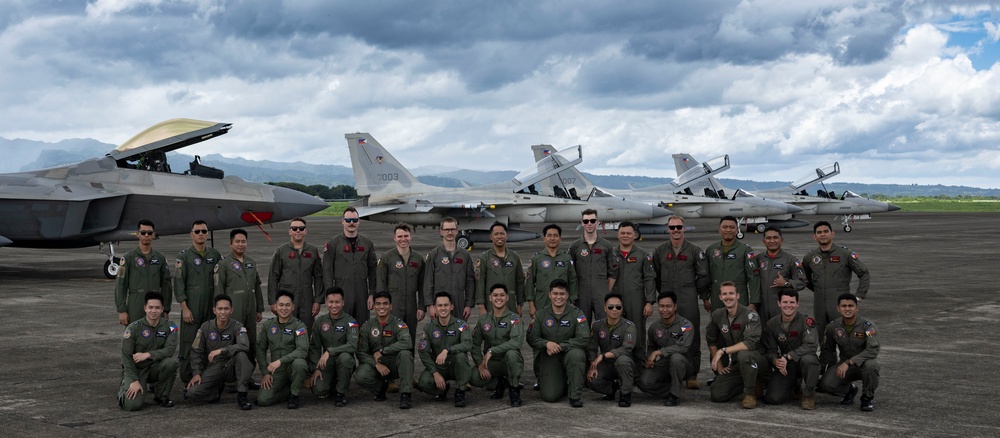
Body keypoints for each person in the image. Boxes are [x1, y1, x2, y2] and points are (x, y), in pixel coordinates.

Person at [651, 215, 709, 389]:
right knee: (668, 333)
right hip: (667, 296)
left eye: (679, 227)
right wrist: (663, 293)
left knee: (691, 333)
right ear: (668, 229)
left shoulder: (694, 250)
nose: (676, 230)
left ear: (684, 228)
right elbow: (655, 274)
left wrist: (696, 292)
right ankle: (670, 370)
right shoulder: (660, 250)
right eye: (672, 227)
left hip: (687, 297)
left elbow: (703, 275)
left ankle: (692, 374)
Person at [174, 220, 223, 384]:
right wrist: (184, 308)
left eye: (203, 231)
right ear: (191, 234)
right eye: (197, 231)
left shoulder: (214, 255)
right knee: (190, 340)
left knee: (211, 338)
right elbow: (179, 284)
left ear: (207, 234)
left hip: (211, 302)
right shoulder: (184, 257)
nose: (201, 234)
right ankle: (187, 374)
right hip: (192, 303)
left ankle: (208, 375)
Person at [802, 221, 871, 339]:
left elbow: (864, 273)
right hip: (819, 305)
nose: (823, 234)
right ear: (814, 236)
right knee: (822, 338)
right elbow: (804, 278)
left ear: (832, 233)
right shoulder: (810, 257)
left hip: (840, 303)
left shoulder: (845, 254)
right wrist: (818, 289)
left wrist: (858, 296)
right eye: (819, 232)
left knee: (843, 337)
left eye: (825, 231)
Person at [526, 279, 589, 407]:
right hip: (550, 356)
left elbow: (584, 338)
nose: (558, 297)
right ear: (549, 294)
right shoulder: (541, 315)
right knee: (550, 396)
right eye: (555, 294)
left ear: (567, 295)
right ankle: (562, 384)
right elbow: (532, 338)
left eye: (561, 294)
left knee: (577, 355)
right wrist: (546, 344)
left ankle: (575, 395)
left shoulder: (577, 314)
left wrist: (561, 346)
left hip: (569, 353)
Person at [185, 294, 254, 410]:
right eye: (220, 309)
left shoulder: (237, 326)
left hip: (232, 366)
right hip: (215, 366)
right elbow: (196, 351)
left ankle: (242, 394)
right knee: (192, 393)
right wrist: (196, 373)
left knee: (241, 355)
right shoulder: (205, 327)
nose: (223, 312)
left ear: (231, 310)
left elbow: (244, 345)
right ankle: (215, 391)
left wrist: (221, 351)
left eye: (226, 309)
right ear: (214, 310)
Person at [705, 281, 765, 409]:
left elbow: (751, 342)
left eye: (731, 293)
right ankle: (751, 382)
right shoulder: (718, 315)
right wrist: (720, 365)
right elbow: (711, 339)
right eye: (724, 294)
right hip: (738, 363)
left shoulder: (750, 315)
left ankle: (750, 393)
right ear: (720, 297)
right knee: (717, 394)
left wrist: (723, 351)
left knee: (744, 355)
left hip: (757, 360)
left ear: (738, 295)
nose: (728, 297)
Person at [818, 293, 880, 412]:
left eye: (851, 306)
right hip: (844, 366)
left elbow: (873, 350)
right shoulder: (833, 327)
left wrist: (849, 362)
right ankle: (849, 390)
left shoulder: (867, 326)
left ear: (857, 308)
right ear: (838, 308)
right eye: (844, 306)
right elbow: (827, 351)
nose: (847, 309)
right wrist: (818, 369)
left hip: (863, 364)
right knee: (825, 384)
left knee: (872, 366)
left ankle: (867, 397)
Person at [118, 292, 178, 411]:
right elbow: (126, 356)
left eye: (157, 308)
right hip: (137, 370)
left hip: (155, 367)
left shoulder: (171, 326)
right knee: (133, 405)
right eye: (150, 307)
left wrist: (148, 355)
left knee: (171, 363)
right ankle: (123, 388)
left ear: (162, 309)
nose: (153, 311)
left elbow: (170, 350)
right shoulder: (134, 328)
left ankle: (161, 396)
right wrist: (134, 380)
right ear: (145, 308)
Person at [761, 290, 820, 409]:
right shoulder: (772, 324)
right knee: (773, 398)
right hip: (786, 365)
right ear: (779, 303)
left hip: (802, 361)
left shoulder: (807, 321)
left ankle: (808, 394)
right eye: (785, 302)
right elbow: (770, 350)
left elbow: (811, 346)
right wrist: (776, 361)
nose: (788, 305)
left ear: (797, 303)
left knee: (809, 359)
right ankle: (793, 385)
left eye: (792, 302)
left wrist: (788, 356)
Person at [355, 291, 414, 409]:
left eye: (385, 304)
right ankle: (380, 388)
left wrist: (383, 351)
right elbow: (361, 352)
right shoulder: (367, 326)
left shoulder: (398, 324)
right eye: (378, 304)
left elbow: (407, 342)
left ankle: (405, 394)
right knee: (360, 375)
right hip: (377, 365)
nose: (382, 307)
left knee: (406, 354)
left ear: (391, 306)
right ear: (374, 306)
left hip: (394, 364)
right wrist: (375, 364)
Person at [214, 229, 264, 369]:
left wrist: (259, 308)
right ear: (230, 244)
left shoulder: (251, 263)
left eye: (243, 241)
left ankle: (248, 374)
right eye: (237, 241)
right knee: (233, 340)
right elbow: (219, 290)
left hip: (251, 309)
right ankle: (231, 377)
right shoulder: (224, 264)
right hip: (234, 309)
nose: (240, 244)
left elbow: (257, 287)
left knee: (251, 340)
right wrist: (222, 311)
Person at [470, 283, 525, 407]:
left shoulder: (514, 318)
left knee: (512, 354)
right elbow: (475, 344)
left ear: (507, 298)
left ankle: (514, 389)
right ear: (490, 298)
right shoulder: (483, 319)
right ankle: (498, 382)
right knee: (472, 376)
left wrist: (492, 350)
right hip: (492, 363)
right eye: (495, 295)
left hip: (508, 361)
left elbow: (516, 342)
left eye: (502, 295)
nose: (498, 298)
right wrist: (480, 364)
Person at [415, 292, 474, 407]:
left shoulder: (461, 325)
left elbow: (467, 344)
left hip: (455, 365)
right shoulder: (429, 327)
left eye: (446, 305)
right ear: (435, 308)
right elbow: (423, 352)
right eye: (440, 305)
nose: (443, 308)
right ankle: (442, 389)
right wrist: (435, 372)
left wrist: (448, 350)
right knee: (424, 383)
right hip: (439, 366)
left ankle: (460, 391)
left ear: (451, 307)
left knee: (460, 356)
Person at [637, 291, 695, 406]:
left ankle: (674, 395)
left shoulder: (686, 325)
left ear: (675, 307)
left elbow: (683, 347)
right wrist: (650, 359)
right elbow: (652, 347)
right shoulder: (654, 326)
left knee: (676, 358)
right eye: (661, 306)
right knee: (644, 382)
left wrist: (659, 352)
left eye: (668, 306)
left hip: (684, 364)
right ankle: (673, 388)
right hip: (664, 364)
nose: (665, 310)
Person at [323, 207, 378, 325]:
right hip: (341, 294)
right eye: (348, 220)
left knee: (362, 328)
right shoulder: (333, 244)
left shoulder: (367, 243)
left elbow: (373, 270)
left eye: (354, 220)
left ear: (359, 221)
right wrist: (329, 296)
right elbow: (327, 271)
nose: (351, 223)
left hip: (362, 294)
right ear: (342, 221)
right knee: (340, 327)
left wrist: (372, 294)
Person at [610, 221, 655, 360]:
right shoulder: (611, 254)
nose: (625, 236)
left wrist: (649, 302)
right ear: (617, 235)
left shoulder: (643, 255)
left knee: (638, 332)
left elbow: (649, 278)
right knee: (616, 331)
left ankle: (640, 365)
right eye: (622, 233)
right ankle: (618, 365)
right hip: (616, 301)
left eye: (628, 233)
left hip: (637, 300)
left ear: (634, 235)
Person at [256, 290, 309, 409]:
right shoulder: (268, 325)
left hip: (292, 367)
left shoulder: (299, 326)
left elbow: (302, 350)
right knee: (263, 400)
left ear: (293, 307)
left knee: (300, 364)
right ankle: (288, 389)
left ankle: (294, 395)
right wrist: (265, 372)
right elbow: (260, 349)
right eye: (281, 305)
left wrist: (281, 361)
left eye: (287, 305)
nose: (284, 308)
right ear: (275, 306)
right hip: (277, 371)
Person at [306, 287, 359, 407]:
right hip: (327, 363)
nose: (334, 305)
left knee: (345, 358)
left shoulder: (351, 322)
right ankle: (333, 381)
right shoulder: (320, 321)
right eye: (331, 302)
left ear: (343, 302)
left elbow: (352, 345)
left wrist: (330, 351)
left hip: (344, 360)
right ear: (326, 302)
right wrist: (315, 368)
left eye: (337, 302)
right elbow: (314, 346)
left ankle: (340, 393)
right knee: (318, 390)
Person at [268, 217, 324, 330]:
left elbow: (318, 277)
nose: (298, 231)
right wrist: (273, 301)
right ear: (290, 231)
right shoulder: (281, 251)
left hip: (307, 298)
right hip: (287, 298)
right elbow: (273, 277)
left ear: (305, 231)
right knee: (286, 329)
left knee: (306, 328)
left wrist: (318, 301)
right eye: (294, 228)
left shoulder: (312, 251)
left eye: (301, 228)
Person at [115, 219, 172, 325]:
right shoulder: (128, 258)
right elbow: (120, 285)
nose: (146, 235)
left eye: (149, 233)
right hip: (135, 306)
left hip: (155, 307)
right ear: (137, 234)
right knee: (134, 336)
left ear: (153, 235)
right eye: (143, 233)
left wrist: (166, 309)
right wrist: (122, 310)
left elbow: (166, 285)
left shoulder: (160, 258)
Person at [585, 293, 638, 407]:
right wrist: (592, 365)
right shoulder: (597, 326)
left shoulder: (629, 326)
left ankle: (626, 394)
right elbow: (592, 347)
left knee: (622, 360)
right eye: (610, 307)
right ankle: (611, 389)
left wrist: (603, 356)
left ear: (622, 308)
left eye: (618, 307)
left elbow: (626, 349)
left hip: (624, 363)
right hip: (606, 364)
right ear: (605, 308)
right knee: (591, 378)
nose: (614, 309)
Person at [376, 223, 425, 340]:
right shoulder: (387, 258)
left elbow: (422, 285)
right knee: (391, 337)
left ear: (410, 236)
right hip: (393, 306)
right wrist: (382, 306)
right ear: (394, 238)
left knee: (410, 337)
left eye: (406, 236)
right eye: (400, 236)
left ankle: (409, 359)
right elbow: (380, 283)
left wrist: (422, 307)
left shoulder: (418, 259)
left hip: (411, 306)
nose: (403, 239)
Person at [569, 209, 618, 322]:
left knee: (603, 326)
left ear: (598, 222)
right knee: (582, 326)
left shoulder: (607, 246)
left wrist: (605, 290)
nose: (589, 224)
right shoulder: (575, 246)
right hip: (581, 294)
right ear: (582, 223)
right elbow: (570, 272)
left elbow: (613, 271)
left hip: (601, 293)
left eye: (592, 220)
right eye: (586, 221)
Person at [704, 216, 761, 312]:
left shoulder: (745, 250)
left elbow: (753, 277)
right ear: (719, 230)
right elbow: (706, 276)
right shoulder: (711, 250)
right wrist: (705, 298)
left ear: (737, 230)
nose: (728, 230)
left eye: (732, 227)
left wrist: (753, 302)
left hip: (739, 300)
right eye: (725, 227)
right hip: (717, 300)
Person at [423, 217, 476, 320]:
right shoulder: (434, 255)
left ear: (457, 231)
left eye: (452, 229)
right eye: (446, 230)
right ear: (441, 232)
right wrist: (430, 306)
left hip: (459, 303)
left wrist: (469, 305)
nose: (450, 232)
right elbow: (428, 282)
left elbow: (470, 282)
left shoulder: (465, 255)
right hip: (439, 304)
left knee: (459, 332)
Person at [754, 226, 807, 324]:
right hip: (760, 307)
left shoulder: (790, 260)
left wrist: (787, 283)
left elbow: (802, 281)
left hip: (781, 307)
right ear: (763, 241)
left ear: (781, 240)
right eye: (768, 238)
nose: (772, 241)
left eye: (775, 237)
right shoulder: (758, 259)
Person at [526, 224, 578, 319]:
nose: (552, 238)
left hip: (562, 302)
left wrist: (572, 301)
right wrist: (531, 305)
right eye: (549, 235)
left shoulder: (566, 258)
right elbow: (529, 283)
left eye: (555, 235)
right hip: (541, 302)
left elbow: (573, 280)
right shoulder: (536, 259)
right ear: (544, 238)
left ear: (560, 238)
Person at [474, 221, 525, 315]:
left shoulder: (514, 257)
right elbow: (479, 282)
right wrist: (481, 306)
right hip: (490, 305)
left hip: (510, 304)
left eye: (502, 233)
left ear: (507, 236)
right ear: (491, 237)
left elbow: (520, 281)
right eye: (496, 234)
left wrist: (519, 304)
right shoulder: (484, 258)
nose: (499, 236)